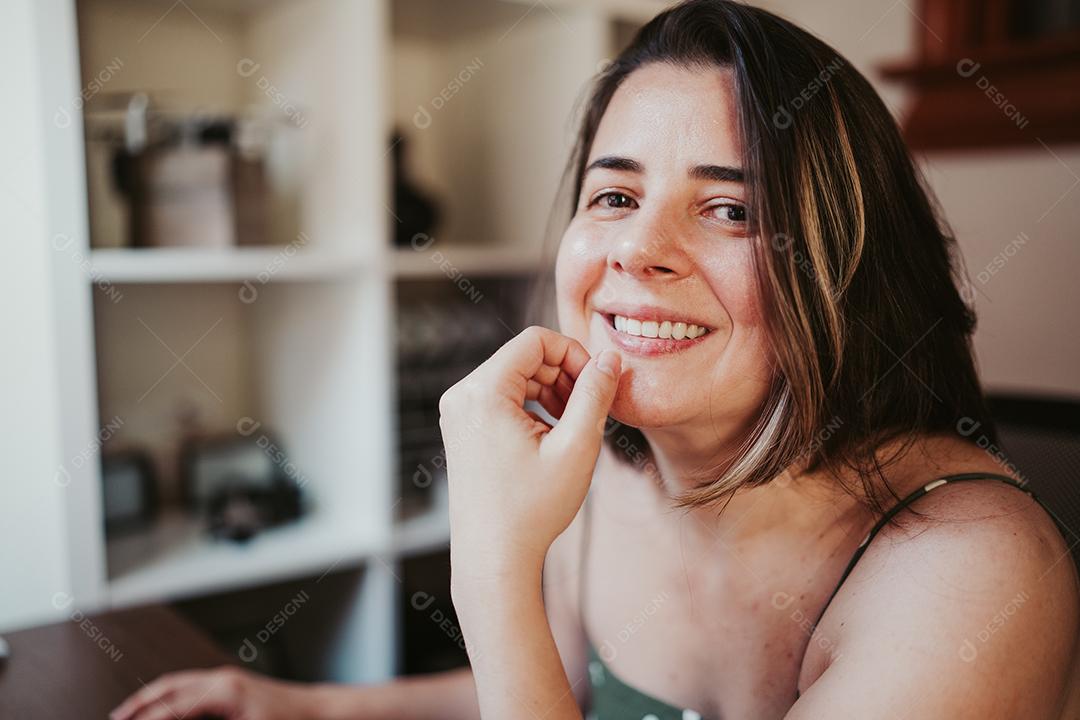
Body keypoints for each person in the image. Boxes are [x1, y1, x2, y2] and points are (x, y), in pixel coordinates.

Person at [110, 1, 1080, 718]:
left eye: (730, 208)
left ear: (848, 264)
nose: (634, 250)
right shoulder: (610, 468)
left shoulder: (972, 578)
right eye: (614, 197)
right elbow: (551, 685)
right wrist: (298, 707)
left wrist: (490, 565)